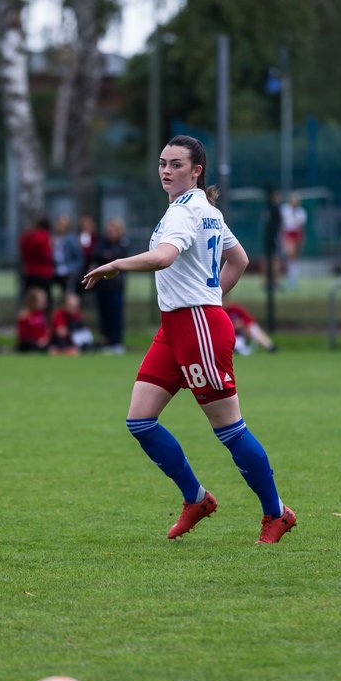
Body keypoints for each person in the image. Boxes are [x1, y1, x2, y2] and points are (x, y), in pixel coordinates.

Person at [82, 134, 296, 545]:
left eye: (176, 164)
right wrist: (212, 297)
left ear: (197, 170)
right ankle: (196, 499)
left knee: (230, 429)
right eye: (162, 162)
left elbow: (164, 257)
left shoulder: (186, 211)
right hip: (177, 327)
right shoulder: (203, 208)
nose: (166, 170)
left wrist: (115, 264)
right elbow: (240, 259)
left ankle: (276, 512)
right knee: (140, 420)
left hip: (198, 328)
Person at [92, 218, 129, 353]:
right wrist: (107, 256)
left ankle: (117, 342)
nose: (110, 232)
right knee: (104, 315)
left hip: (116, 287)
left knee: (116, 315)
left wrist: (108, 257)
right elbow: (96, 254)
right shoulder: (103, 242)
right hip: (103, 285)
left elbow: (118, 258)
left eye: (113, 230)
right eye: (109, 230)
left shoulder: (123, 243)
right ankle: (106, 341)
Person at [19, 217, 55, 303]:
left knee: (30, 299)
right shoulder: (44, 236)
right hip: (43, 273)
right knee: (45, 299)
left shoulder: (26, 236)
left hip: (29, 271)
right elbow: (46, 255)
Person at [51, 214, 84, 303]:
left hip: (69, 271)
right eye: (59, 224)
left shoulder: (72, 239)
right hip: (54, 270)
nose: (60, 227)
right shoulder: (52, 238)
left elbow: (79, 259)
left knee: (69, 291)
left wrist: (71, 269)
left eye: (63, 224)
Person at [279, 193, 307, 288]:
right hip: (287, 233)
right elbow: (282, 223)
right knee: (290, 255)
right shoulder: (284, 209)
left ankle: (293, 278)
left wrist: (301, 239)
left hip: (296, 234)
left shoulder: (301, 212)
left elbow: (301, 227)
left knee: (294, 257)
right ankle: (291, 278)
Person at [16, 286, 50, 353]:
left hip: (41, 343)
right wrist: (37, 341)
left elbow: (45, 330)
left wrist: (45, 339)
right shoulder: (24, 315)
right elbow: (23, 334)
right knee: (30, 344)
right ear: (33, 301)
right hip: (29, 343)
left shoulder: (41, 314)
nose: (44, 303)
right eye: (41, 301)